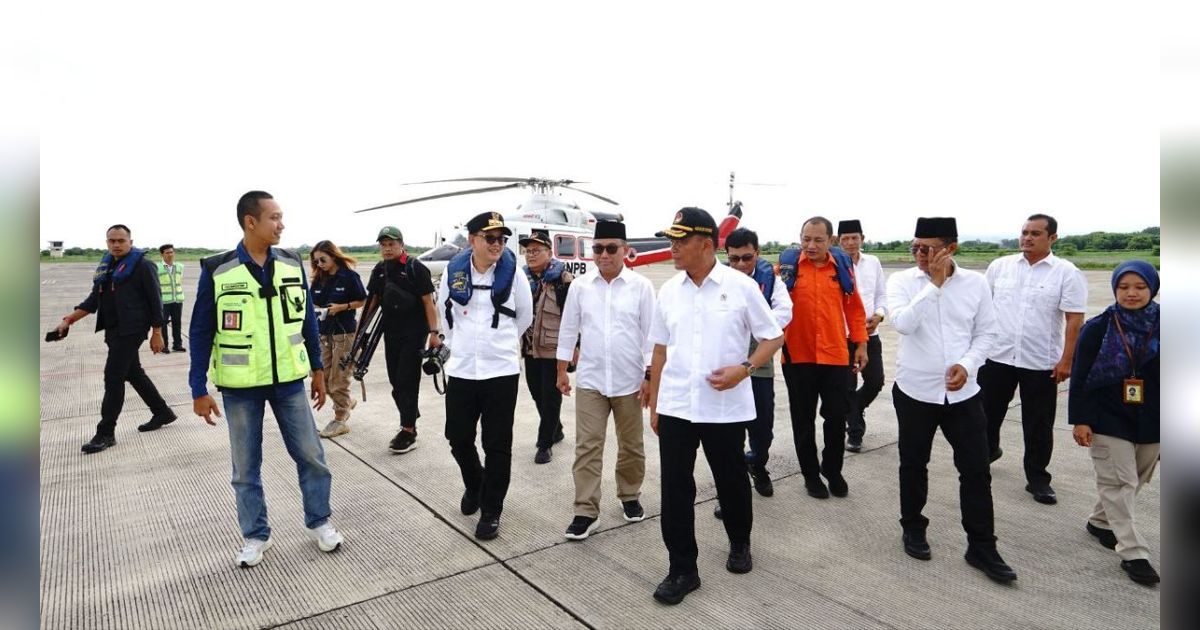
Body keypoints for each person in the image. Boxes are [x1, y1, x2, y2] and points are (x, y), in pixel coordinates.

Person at [189, 191, 343, 568]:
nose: (282, 224)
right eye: (274, 217)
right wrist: (198, 388)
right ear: (250, 222)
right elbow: (200, 331)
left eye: (282, 217)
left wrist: (319, 370)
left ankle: (320, 521)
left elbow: (306, 320)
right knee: (245, 468)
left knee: (312, 455)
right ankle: (256, 536)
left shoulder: (291, 264)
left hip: (289, 381)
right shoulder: (217, 270)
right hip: (240, 387)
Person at [646, 207, 785, 605]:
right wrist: (655, 403)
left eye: (679, 240)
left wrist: (745, 369)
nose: (671, 248)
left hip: (724, 407)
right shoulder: (670, 291)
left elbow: (773, 338)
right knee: (675, 488)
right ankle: (682, 568)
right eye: (670, 239)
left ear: (706, 244)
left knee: (731, 480)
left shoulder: (740, 286)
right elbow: (659, 349)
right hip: (676, 405)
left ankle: (740, 542)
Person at [887, 217, 1016, 583]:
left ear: (950, 248)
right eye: (915, 247)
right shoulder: (901, 282)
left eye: (927, 248)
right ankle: (913, 526)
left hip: (964, 393)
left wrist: (968, 364)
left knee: (976, 470)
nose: (919, 255)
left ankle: (982, 545)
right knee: (913, 463)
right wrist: (935, 284)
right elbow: (904, 324)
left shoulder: (975, 283)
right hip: (915, 391)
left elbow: (987, 332)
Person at [437, 212, 534, 541]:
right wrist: (460, 347)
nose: (497, 244)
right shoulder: (453, 273)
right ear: (472, 240)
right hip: (463, 370)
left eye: (502, 239)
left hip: (501, 371)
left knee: (497, 445)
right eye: (490, 238)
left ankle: (492, 510)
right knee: (458, 436)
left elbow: (524, 316)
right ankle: (474, 483)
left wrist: (500, 345)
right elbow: (445, 318)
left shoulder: (514, 275)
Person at [555, 220, 654, 540]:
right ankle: (585, 510)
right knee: (587, 447)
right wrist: (560, 370)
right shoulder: (581, 287)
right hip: (590, 381)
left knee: (632, 447)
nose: (604, 255)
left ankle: (630, 496)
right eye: (598, 249)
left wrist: (650, 376)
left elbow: (652, 337)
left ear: (625, 251)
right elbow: (568, 329)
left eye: (612, 248)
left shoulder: (641, 287)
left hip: (630, 381)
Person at [980, 214, 1087, 505]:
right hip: (997, 356)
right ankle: (986, 455)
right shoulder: (1000, 267)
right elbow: (982, 309)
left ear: (1052, 238)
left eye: (1036, 233)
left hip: (1040, 362)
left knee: (1038, 423)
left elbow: (1074, 319)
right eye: (1025, 232)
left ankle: (1037, 478)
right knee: (985, 415)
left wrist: (1067, 360)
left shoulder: (1066, 272)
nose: (1027, 238)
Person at [1069, 261, 1160, 586]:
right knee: (1118, 483)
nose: (1131, 293)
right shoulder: (1098, 327)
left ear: (1152, 288)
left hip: (1153, 419)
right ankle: (1134, 553)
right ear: (1114, 289)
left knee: (1133, 479)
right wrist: (1080, 419)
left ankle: (1100, 521)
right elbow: (1079, 377)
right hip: (1108, 417)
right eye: (1124, 287)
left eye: (1139, 287)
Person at [55, 224, 176, 453]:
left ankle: (105, 433)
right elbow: (93, 301)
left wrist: (157, 333)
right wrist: (68, 320)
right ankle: (162, 412)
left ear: (130, 241)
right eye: (112, 241)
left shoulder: (143, 266)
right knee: (133, 373)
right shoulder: (108, 265)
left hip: (132, 330)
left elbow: (155, 301)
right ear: (107, 242)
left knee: (113, 377)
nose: (116, 244)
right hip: (113, 329)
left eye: (121, 240)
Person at [779, 217, 868, 499]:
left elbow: (854, 309)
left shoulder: (841, 269)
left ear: (830, 240)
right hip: (798, 356)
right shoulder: (788, 270)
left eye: (818, 240)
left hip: (835, 355)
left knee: (836, 416)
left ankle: (833, 469)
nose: (811, 245)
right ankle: (810, 475)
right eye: (806, 239)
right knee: (803, 419)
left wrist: (861, 344)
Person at [714, 227, 792, 517]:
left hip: (758, 366)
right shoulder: (718, 281)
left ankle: (757, 464)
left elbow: (784, 312)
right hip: (726, 367)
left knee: (762, 431)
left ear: (757, 254)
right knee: (728, 436)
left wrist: (755, 323)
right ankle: (729, 493)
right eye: (733, 259)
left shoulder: (770, 280)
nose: (740, 265)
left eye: (747, 258)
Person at [365, 226, 441, 453]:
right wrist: (360, 335)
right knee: (396, 383)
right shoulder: (380, 270)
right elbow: (373, 302)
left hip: (414, 334)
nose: (387, 249)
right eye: (383, 245)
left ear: (401, 245)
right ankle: (410, 415)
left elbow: (429, 302)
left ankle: (408, 430)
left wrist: (434, 333)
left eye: (391, 244)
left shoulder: (415, 268)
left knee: (407, 380)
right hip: (391, 334)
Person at [520, 228, 573, 464]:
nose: (530, 255)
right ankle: (556, 428)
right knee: (536, 393)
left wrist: (575, 347)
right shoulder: (522, 279)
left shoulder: (563, 279)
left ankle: (544, 444)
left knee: (550, 396)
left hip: (554, 348)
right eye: (527, 251)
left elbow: (574, 317)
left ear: (549, 252)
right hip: (530, 348)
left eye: (536, 250)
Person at [837, 220, 888, 452]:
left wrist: (879, 315)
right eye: (845, 238)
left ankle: (854, 408)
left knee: (876, 380)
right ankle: (855, 433)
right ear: (838, 241)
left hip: (870, 334)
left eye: (854, 238)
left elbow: (881, 295)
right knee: (847, 386)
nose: (850, 243)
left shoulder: (873, 262)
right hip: (842, 335)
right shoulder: (834, 264)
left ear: (862, 238)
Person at [309, 240, 367, 438]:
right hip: (324, 333)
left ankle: (340, 418)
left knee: (338, 378)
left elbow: (362, 300)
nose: (320, 264)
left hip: (344, 334)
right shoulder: (319, 279)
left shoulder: (349, 277)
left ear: (333, 256)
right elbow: (311, 302)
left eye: (323, 259)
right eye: (316, 261)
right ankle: (346, 401)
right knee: (320, 376)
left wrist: (342, 307)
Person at [156, 243, 186, 353]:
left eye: (172, 252)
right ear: (162, 254)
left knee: (177, 323)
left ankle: (177, 345)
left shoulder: (180, 266)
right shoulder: (157, 268)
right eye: (167, 252)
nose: (170, 254)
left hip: (177, 299)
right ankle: (164, 345)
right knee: (163, 324)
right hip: (164, 301)